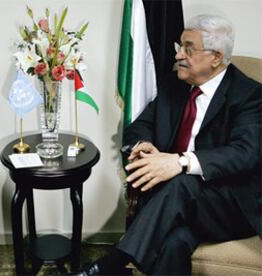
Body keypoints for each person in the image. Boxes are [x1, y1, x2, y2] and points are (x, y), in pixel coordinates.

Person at [72, 14, 261, 275]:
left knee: (183, 182)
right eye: (179, 47)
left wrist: (180, 161)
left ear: (215, 58)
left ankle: (110, 265)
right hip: (177, 204)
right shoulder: (175, 84)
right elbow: (139, 126)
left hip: (230, 206)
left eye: (188, 49)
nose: (178, 55)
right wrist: (144, 144)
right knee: (176, 242)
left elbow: (245, 153)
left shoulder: (250, 95)